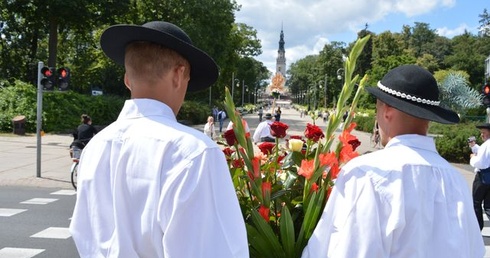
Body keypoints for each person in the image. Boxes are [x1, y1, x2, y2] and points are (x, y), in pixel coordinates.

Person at [69, 21, 248, 258]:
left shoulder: (96, 147)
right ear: (179, 74)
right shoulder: (194, 152)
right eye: (188, 80)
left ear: (127, 79)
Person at [303, 65, 484, 257]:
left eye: (377, 108)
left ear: (387, 111)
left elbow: (348, 250)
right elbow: (474, 250)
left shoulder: (367, 173)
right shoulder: (456, 180)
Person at [470, 124, 490, 230]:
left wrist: (473, 158)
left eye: (484, 133)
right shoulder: (485, 146)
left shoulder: (486, 145)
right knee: (488, 206)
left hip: (482, 177)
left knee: (476, 203)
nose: (481, 135)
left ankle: (477, 229)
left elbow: (481, 163)